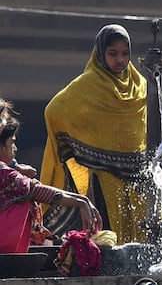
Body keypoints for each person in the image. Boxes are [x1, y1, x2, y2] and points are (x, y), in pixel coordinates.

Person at [40, 24, 151, 244]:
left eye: (125, 53)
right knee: (110, 242)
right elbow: (54, 110)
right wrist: (82, 148)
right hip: (103, 181)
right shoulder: (89, 84)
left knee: (143, 240)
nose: (120, 59)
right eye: (113, 54)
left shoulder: (140, 85)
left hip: (138, 179)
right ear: (101, 54)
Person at [0, 102, 102, 253]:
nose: (15, 149)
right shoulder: (6, 174)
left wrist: (15, 166)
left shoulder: (9, 170)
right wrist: (81, 201)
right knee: (25, 197)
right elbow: (35, 190)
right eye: (12, 143)